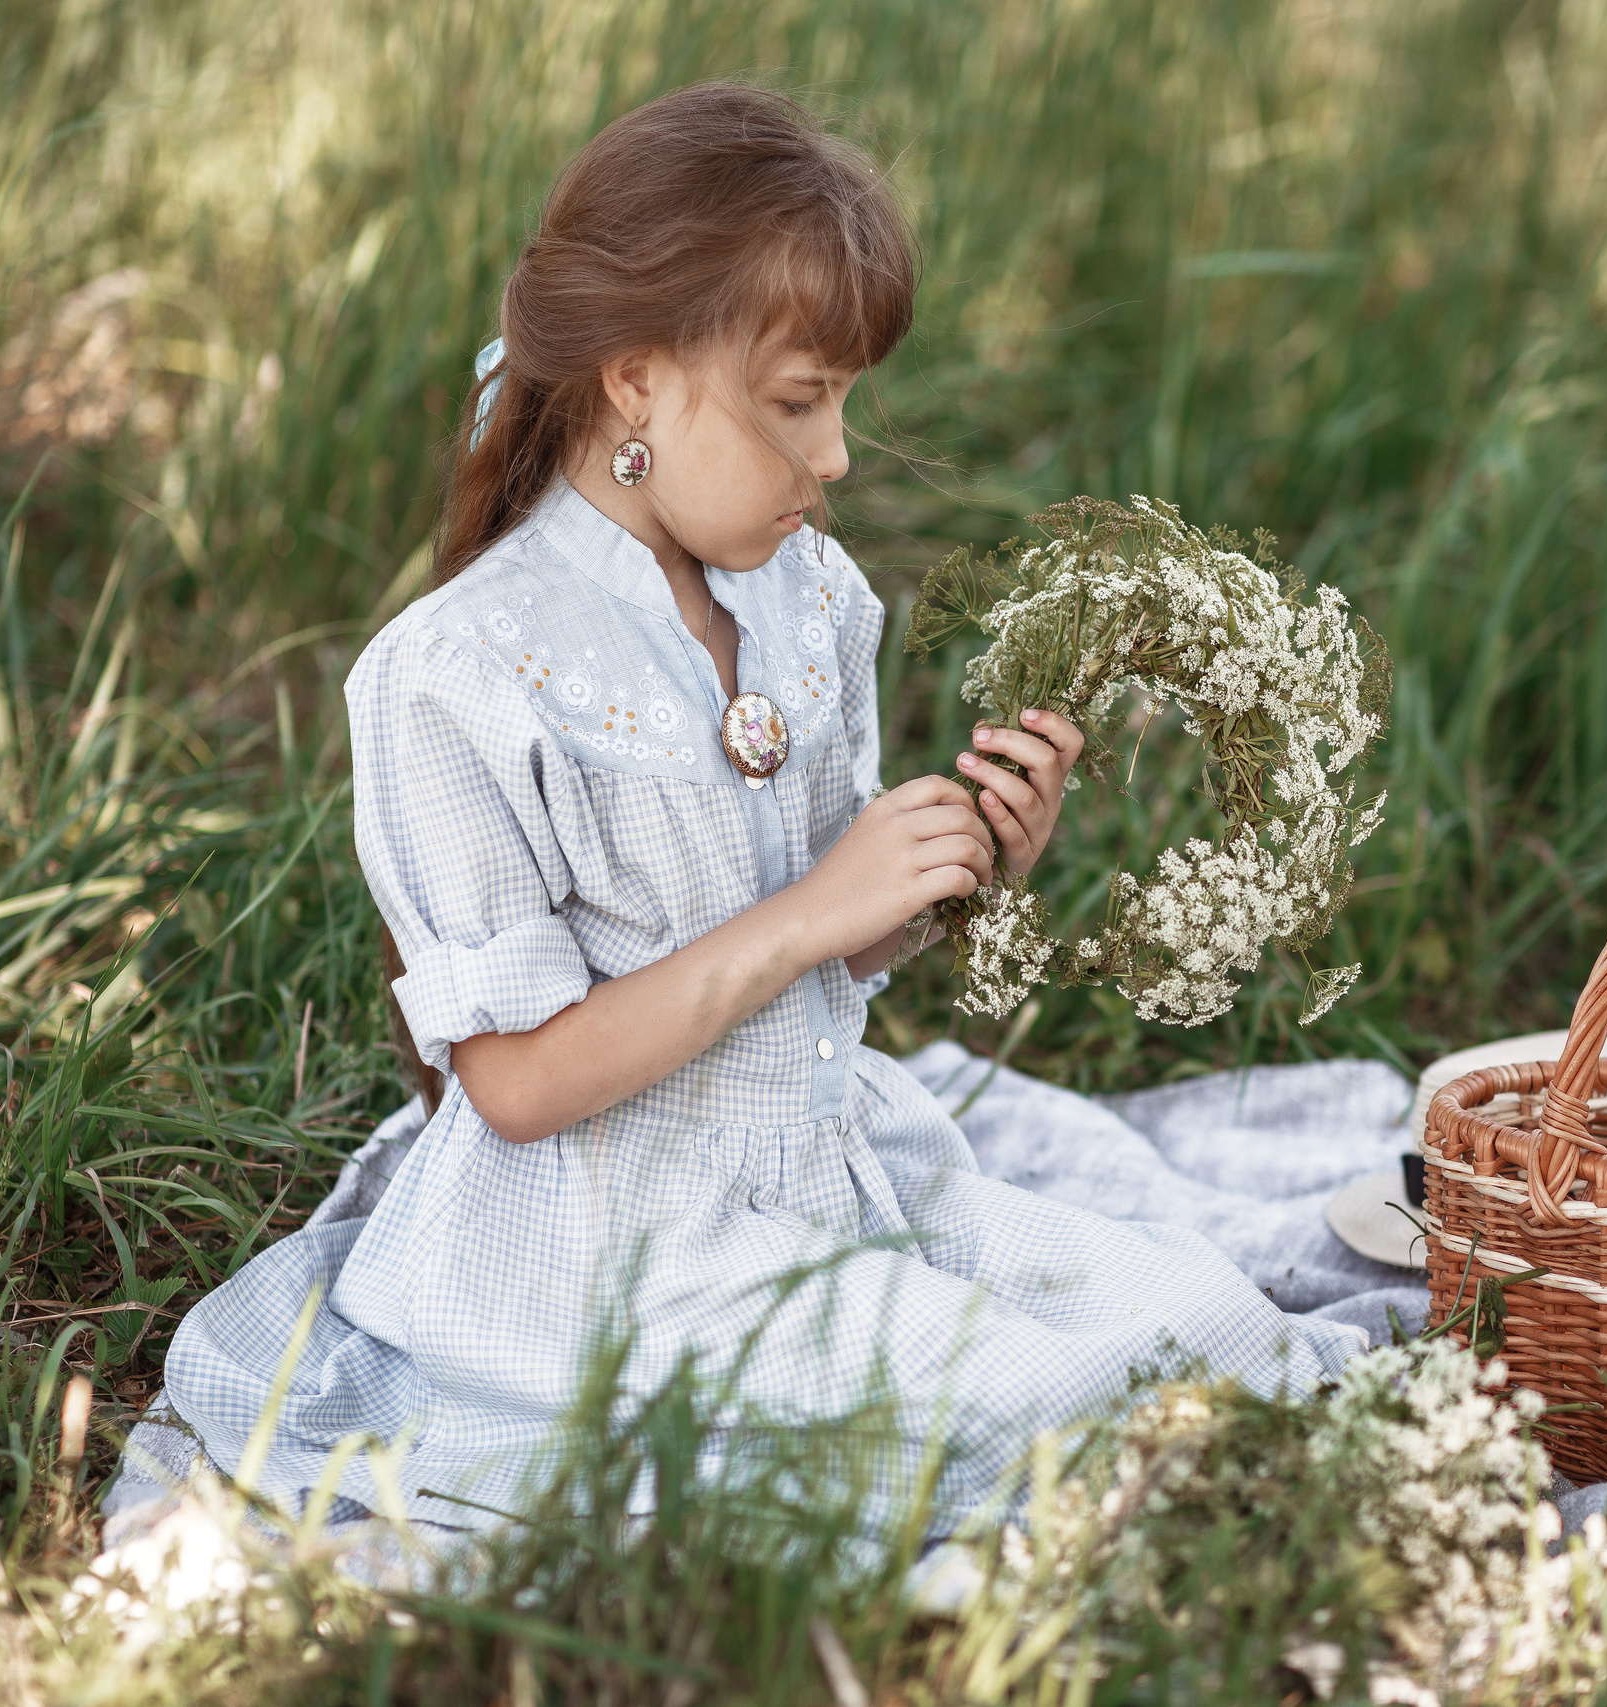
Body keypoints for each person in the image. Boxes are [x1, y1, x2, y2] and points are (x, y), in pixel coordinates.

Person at [152, 81, 1376, 1540]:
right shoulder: (455, 677)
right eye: (798, 404)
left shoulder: (806, 599)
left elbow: (822, 968)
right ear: (635, 378)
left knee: (1202, 1329)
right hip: (619, 1243)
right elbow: (518, 1087)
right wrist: (810, 911)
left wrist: (949, 872)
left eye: (844, 400)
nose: (839, 455)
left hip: (824, 1164)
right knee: (1028, 1428)